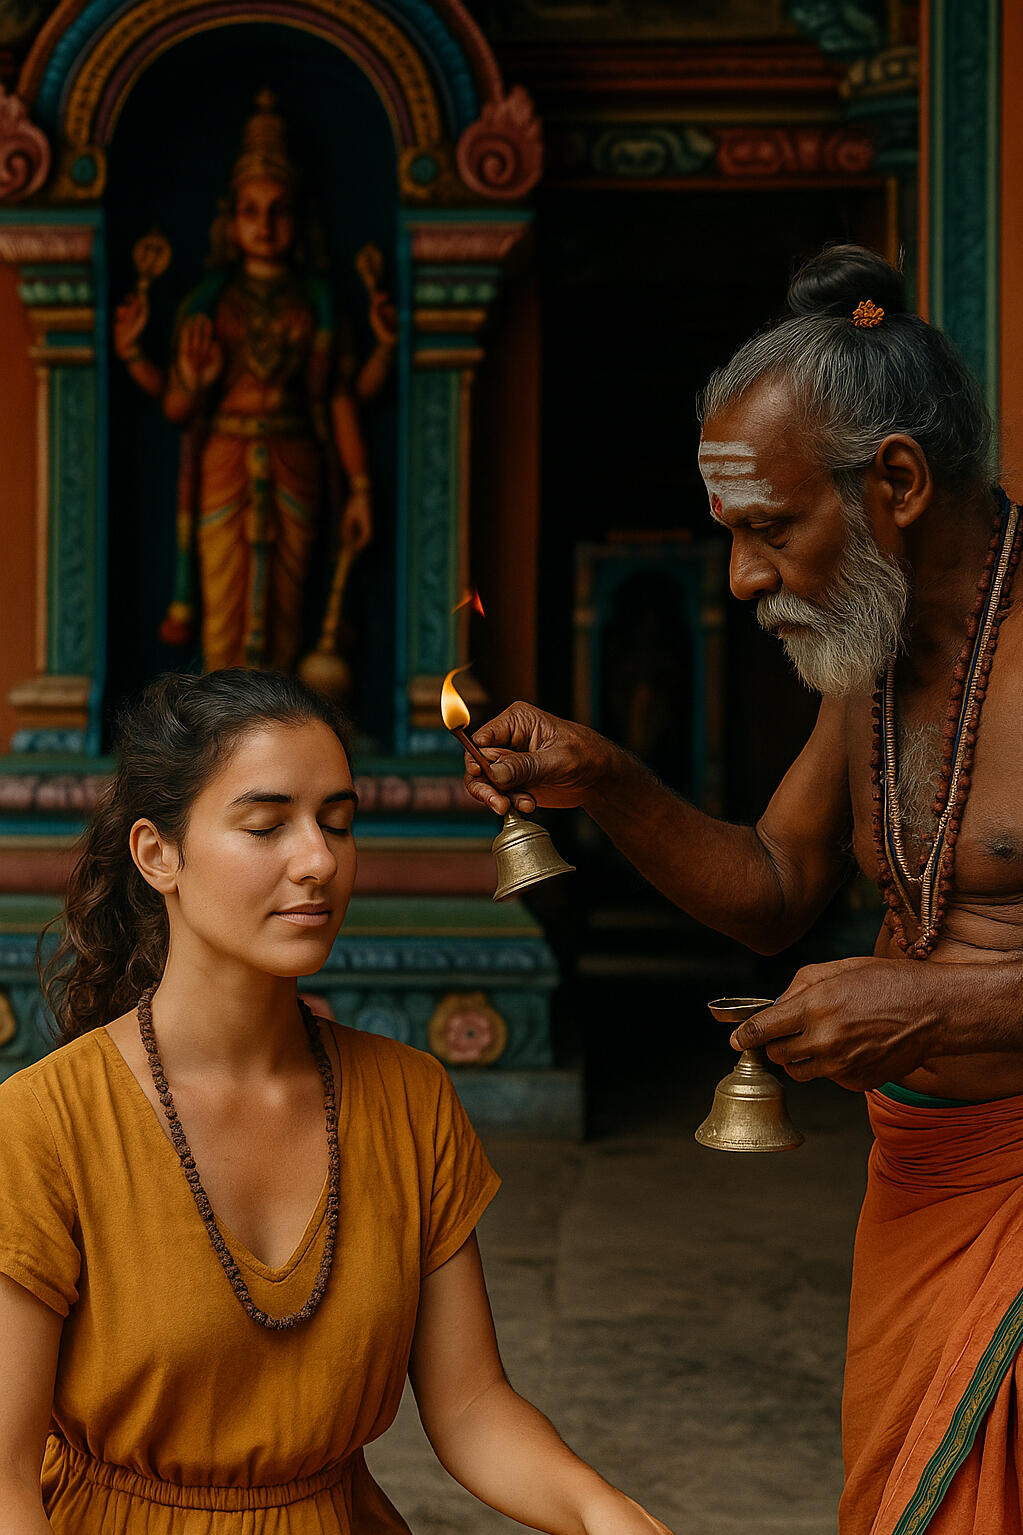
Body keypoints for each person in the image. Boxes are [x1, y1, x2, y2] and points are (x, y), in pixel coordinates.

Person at [464, 244, 1023, 1534]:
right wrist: (605, 777)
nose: (743, 580)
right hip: (923, 1190)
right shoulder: (868, 659)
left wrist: (931, 1011)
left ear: (895, 480)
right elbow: (777, 884)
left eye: (771, 529)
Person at [0, 668, 671, 1535]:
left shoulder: (409, 1098)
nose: (318, 860)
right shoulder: (46, 1122)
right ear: (156, 853)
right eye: (266, 825)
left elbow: (469, 1405)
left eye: (338, 823)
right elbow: (7, 1480)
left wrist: (600, 1509)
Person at [113, 91, 396, 670]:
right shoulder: (209, 302)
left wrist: (362, 488)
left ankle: (281, 740)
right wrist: (149, 361)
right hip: (224, 457)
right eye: (251, 210)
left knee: (288, 603)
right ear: (231, 218)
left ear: (298, 218)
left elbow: (342, 396)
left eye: (278, 210)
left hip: (296, 457)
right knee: (223, 605)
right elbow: (175, 405)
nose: (264, 225)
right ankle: (222, 741)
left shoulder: (316, 301)